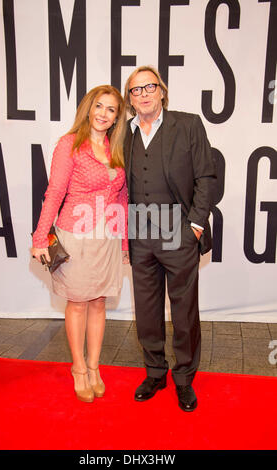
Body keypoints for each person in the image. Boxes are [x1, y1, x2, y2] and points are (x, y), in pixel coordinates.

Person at [123, 66, 216, 411]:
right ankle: (155, 372)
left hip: (178, 229)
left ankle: (184, 378)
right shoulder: (125, 132)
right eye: (136, 90)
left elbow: (206, 176)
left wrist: (194, 224)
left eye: (150, 87)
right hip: (139, 233)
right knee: (146, 310)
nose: (144, 93)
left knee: (183, 311)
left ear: (162, 91)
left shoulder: (188, 124)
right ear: (130, 100)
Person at [31, 85, 129, 403]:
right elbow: (55, 192)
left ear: (117, 117)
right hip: (75, 235)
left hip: (107, 239)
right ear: (88, 108)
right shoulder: (69, 144)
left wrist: (125, 241)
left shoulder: (117, 148)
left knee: (98, 302)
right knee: (77, 303)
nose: (104, 114)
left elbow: (124, 198)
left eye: (111, 109)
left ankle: (94, 366)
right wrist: (39, 237)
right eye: (99, 106)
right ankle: (78, 369)